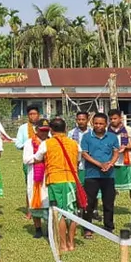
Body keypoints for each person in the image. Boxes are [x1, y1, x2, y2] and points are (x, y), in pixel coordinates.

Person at [33, 117, 83, 252]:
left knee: (59, 212)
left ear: (51, 130)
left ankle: (62, 244)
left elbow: (37, 158)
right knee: (72, 211)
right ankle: (71, 243)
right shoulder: (74, 144)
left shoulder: (46, 144)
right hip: (71, 180)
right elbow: (78, 161)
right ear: (65, 129)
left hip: (55, 180)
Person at [80, 111, 121, 236]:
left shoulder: (112, 137)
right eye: (96, 123)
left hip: (108, 175)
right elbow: (85, 154)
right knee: (89, 203)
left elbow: (116, 152)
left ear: (106, 124)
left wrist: (110, 164)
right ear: (92, 123)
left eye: (101, 124)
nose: (98, 126)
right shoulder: (87, 137)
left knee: (108, 201)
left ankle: (109, 227)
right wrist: (99, 164)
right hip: (91, 174)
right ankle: (87, 227)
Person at [22, 119, 51, 238]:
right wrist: (40, 157)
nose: (44, 133)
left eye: (46, 131)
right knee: (35, 201)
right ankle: (38, 228)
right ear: (36, 130)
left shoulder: (51, 142)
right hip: (35, 177)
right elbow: (26, 159)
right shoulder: (29, 143)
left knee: (48, 202)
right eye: (42, 130)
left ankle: (49, 228)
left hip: (49, 175)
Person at [14, 106, 41, 217]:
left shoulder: (44, 126)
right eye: (30, 114)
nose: (33, 116)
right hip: (29, 160)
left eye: (35, 114)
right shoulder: (23, 128)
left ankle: (41, 206)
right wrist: (29, 147)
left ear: (38, 115)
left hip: (43, 160)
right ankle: (30, 210)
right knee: (29, 185)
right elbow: (18, 143)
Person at [108, 109, 131, 203]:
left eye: (115, 118)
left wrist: (125, 147)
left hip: (127, 162)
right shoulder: (106, 131)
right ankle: (109, 210)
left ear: (121, 118)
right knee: (111, 190)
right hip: (111, 163)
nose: (113, 121)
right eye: (111, 119)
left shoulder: (129, 130)